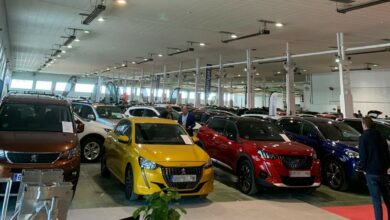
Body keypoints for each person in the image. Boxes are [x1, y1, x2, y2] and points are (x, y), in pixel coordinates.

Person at [359, 116, 390, 220]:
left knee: (376, 201)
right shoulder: (381, 137)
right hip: (383, 172)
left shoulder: (363, 137)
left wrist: (362, 168)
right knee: (387, 198)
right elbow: (387, 153)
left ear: (364, 125)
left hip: (371, 172)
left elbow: (363, 155)